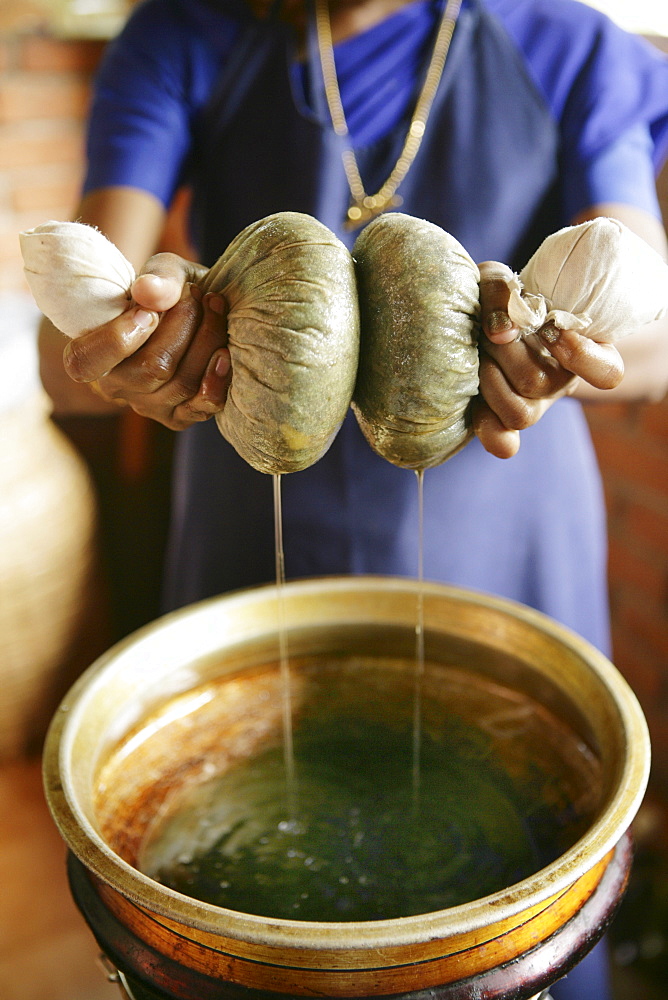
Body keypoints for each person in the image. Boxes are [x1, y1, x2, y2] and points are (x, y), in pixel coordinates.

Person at [37, 0, 668, 995]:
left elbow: (647, 308)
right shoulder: (181, 32)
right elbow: (67, 342)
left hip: (500, 514)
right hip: (254, 497)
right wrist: (131, 337)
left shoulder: (568, 43)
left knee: (525, 878)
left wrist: (553, 347)